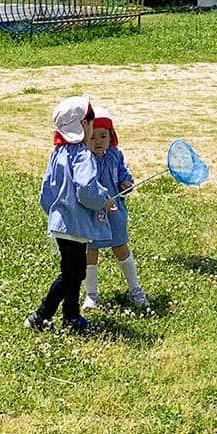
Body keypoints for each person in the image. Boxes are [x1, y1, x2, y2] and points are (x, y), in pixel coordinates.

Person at [25, 96, 119, 333]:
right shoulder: (82, 155)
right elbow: (87, 188)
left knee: (72, 269)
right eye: (90, 121)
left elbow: (47, 189)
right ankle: (41, 315)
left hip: (60, 223)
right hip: (75, 225)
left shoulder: (58, 152)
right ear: (82, 126)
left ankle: (71, 317)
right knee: (73, 273)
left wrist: (53, 213)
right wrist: (104, 201)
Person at [83, 109, 148, 311]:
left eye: (103, 136)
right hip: (92, 214)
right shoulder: (83, 159)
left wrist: (126, 183)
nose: (98, 141)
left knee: (120, 247)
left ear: (112, 136)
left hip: (114, 214)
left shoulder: (115, 155)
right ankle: (91, 294)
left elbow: (123, 174)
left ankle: (135, 289)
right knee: (90, 250)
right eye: (92, 137)